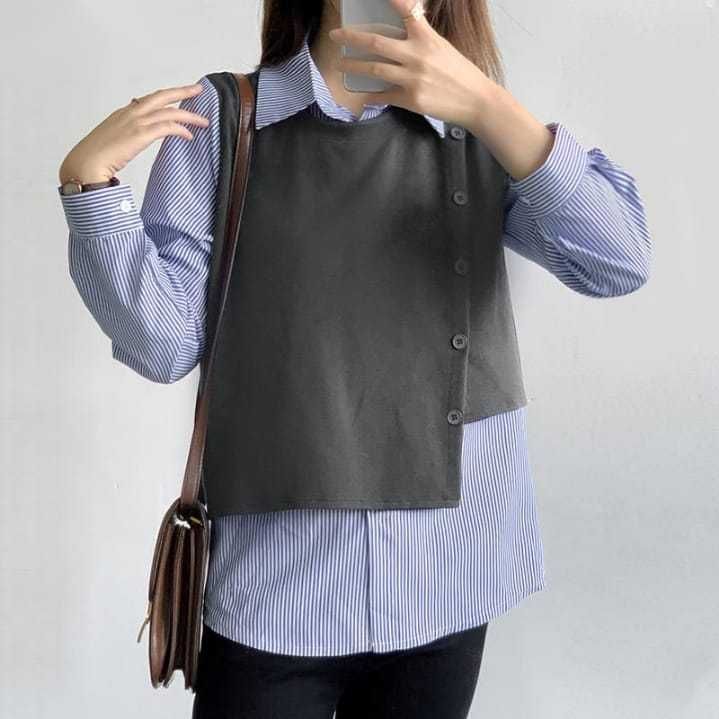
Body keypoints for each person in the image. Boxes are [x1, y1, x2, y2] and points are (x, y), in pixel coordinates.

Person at [57, 0, 652, 716]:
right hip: (278, 590)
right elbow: (163, 343)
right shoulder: (223, 122)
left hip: (448, 576)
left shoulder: (483, 128)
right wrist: (90, 186)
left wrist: (486, 105)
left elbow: (619, 261)